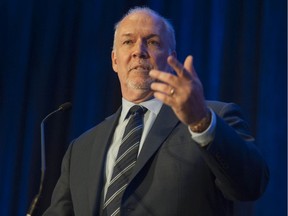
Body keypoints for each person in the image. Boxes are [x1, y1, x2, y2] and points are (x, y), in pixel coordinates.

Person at [43, 6, 269, 216]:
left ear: (172, 60)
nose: (138, 51)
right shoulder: (81, 148)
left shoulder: (213, 117)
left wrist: (201, 122)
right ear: (114, 60)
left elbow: (251, 185)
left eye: (152, 42)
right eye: (128, 42)